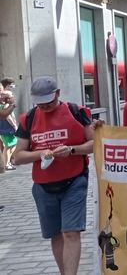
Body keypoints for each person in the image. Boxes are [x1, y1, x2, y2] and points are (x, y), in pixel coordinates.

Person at [12, 77, 95, 275]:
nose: (45, 107)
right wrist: (41, 153)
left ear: (57, 93)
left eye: (48, 102)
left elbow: (95, 144)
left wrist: (72, 150)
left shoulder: (77, 112)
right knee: (56, 235)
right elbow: (17, 157)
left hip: (74, 181)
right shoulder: (28, 118)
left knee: (71, 232)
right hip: (43, 186)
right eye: (40, 104)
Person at [0, 83, 17, 172]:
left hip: (5, 129)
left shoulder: (4, 105)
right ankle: (6, 163)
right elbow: (7, 116)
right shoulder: (6, 105)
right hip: (6, 129)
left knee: (9, 145)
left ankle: (7, 163)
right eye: (11, 96)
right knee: (9, 145)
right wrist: (14, 125)